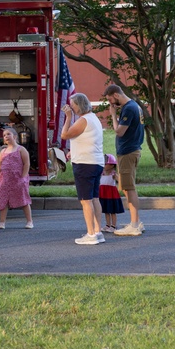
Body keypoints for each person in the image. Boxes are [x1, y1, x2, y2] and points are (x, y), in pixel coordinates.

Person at [61, 93, 105, 245]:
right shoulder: (94, 118)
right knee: (94, 198)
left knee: (86, 201)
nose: (71, 108)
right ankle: (98, 231)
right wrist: (74, 150)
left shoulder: (84, 120)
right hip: (95, 162)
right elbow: (89, 138)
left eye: (73, 105)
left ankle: (91, 234)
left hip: (85, 164)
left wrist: (67, 117)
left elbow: (64, 135)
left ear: (79, 105)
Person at [104, 84, 145, 236]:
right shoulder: (134, 105)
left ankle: (134, 225)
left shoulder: (128, 108)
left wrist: (113, 114)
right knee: (126, 187)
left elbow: (119, 131)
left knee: (129, 187)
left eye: (110, 100)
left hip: (128, 151)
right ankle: (136, 221)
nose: (111, 104)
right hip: (129, 150)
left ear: (115, 95)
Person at [0, 126, 33, 229]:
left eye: (8, 134)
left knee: (23, 200)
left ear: (15, 136)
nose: (6, 136)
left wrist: (23, 177)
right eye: (4, 135)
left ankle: (29, 221)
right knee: (3, 201)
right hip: (5, 180)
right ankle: (2, 222)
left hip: (18, 179)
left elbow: (26, 164)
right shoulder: (3, 151)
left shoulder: (21, 149)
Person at [99, 154, 124, 232]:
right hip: (103, 194)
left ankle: (113, 226)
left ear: (112, 165)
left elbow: (120, 181)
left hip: (111, 194)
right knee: (106, 210)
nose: (104, 165)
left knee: (112, 211)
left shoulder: (113, 174)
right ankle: (107, 225)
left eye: (106, 164)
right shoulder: (101, 173)